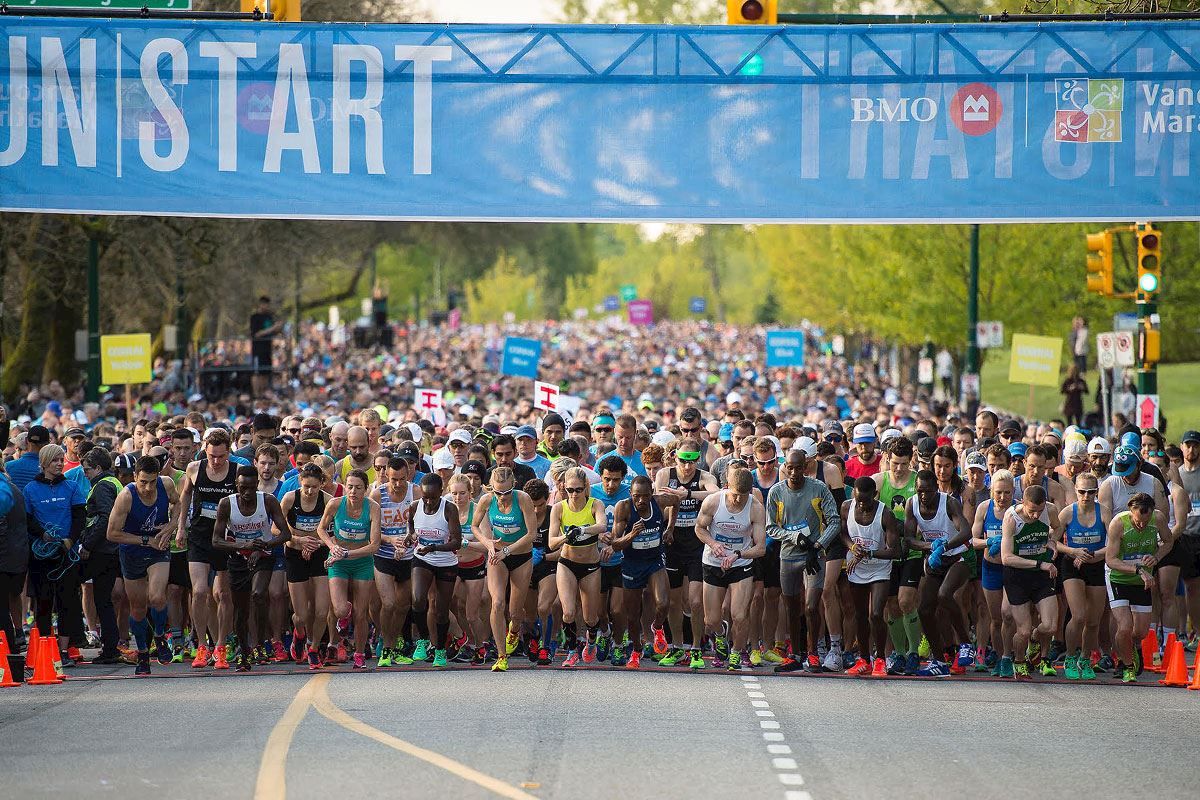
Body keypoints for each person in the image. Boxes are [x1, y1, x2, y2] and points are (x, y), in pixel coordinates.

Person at [211, 465, 290, 672]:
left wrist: (263, 546)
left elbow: (285, 534)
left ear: (257, 484)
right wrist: (242, 546)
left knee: (258, 594)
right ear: (236, 485)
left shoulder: (268, 501)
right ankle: (244, 652)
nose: (246, 493)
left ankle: (260, 643)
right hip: (238, 558)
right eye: (242, 488)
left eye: (250, 488)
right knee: (241, 608)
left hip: (263, 555)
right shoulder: (226, 504)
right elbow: (216, 541)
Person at [105, 456, 180, 675]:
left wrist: (173, 524)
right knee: (138, 609)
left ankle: (159, 636)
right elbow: (112, 533)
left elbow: (179, 503)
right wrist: (145, 540)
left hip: (159, 550)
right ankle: (144, 654)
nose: (147, 488)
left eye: (151, 482)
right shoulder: (126, 496)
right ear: (135, 476)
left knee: (157, 597)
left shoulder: (166, 485)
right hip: (133, 552)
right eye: (143, 482)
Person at [768, 448, 839, 673]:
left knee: (811, 606)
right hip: (788, 555)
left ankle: (814, 654)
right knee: (791, 606)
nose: (794, 472)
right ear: (785, 467)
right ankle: (795, 655)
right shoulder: (776, 492)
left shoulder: (818, 489)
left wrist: (818, 545)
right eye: (790, 467)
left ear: (806, 467)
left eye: (799, 467)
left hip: (813, 555)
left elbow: (835, 521)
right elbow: (771, 527)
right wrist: (793, 536)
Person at [176, 429, 238, 670]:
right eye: (212, 456)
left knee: (222, 594)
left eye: (221, 457)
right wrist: (181, 527)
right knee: (199, 591)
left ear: (228, 452)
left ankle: (221, 645)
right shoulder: (194, 468)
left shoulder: (236, 472)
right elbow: (185, 497)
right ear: (205, 450)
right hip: (200, 536)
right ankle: (202, 645)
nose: (216, 461)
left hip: (225, 539)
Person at [654, 437, 718, 669]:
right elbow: (658, 499)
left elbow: (716, 494)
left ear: (698, 460)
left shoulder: (704, 476)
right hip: (672, 541)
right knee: (672, 600)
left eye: (692, 462)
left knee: (694, 601)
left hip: (696, 544)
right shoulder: (664, 474)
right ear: (675, 457)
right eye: (683, 461)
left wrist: (687, 495)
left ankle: (697, 649)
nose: (687, 467)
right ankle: (677, 648)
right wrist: (674, 502)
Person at [23, 443, 87, 666]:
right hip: (41, 556)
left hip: (66, 555)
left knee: (67, 602)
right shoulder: (30, 489)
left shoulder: (71, 487)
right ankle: (43, 649)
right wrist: (43, 535)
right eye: (55, 460)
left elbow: (80, 516)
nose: (60, 463)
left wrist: (70, 539)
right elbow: (27, 519)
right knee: (43, 603)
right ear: (44, 463)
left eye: (61, 459)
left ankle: (64, 651)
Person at [695, 468, 766, 671]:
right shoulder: (714, 501)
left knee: (739, 615)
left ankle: (736, 652)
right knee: (711, 620)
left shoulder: (756, 507)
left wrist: (738, 554)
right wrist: (713, 543)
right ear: (727, 487)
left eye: (742, 496)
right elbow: (699, 528)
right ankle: (720, 636)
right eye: (734, 494)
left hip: (740, 564)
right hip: (713, 562)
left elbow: (760, 548)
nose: (737, 499)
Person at [905, 469, 972, 677]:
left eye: (928, 491)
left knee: (944, 595)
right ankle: (940, 660)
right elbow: (908, 540)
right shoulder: (911, 504)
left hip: (958, 557)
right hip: (935, 559)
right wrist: (929, 546)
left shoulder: (949, 502)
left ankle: (965, 643)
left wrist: (944, 547)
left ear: (937, 488)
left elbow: (965, 531)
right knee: (924, 609)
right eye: (920, 491)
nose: (924, 496)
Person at [317, 469, 381, 669]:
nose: (353, 491)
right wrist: (332, 546)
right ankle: (339, 630)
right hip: (339, 561)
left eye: (358, 488)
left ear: (366, 489)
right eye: (349, 487)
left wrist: (348, 554)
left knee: (361, 613)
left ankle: (360, 653)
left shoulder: (373, 507)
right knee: (340, 609)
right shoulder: (335, 504)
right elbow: (321, 529)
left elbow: (374, 545)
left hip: (362, 561)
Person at [1104, 492, 1170, 683]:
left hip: (1142, 581)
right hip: (1118, 578)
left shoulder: (1158, 518)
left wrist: (1156, 557)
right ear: (1130, 511)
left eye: (1145, 521)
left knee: (1139, 632)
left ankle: (1131, 648)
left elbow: (1169, 541)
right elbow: (1110, 559)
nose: (1141, 525)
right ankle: (1127, 666)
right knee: (1124, 627)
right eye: (1137, 521)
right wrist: (1138, 570)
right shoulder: (1118, 523)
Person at [1000, 484, 1063, 680]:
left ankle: (1035, 639)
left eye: (1039, 510)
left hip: (1040, 575)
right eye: (1031, 511)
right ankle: (1019, 661)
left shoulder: (1050, 510)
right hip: (1017, 576)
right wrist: (1039, 564)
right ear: (1022, 503)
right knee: (1023, 630)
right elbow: (1006, 558)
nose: (1036, 515)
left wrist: (1053, 540)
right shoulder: (1012, 518)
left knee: (1051, 626)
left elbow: (1058, 527)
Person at [842, 476, 902, 677]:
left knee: (875, 614)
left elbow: (895, 551)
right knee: (859, 615)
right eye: (858, 500)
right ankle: (864, 659)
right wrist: (852, 546)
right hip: (856, 569)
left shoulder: (885, 514)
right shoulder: (846, 507)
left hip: (879, 568)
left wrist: (868, 553)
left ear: (874, 495)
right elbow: (842, 533)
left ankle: (881, 659)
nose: (862, 505)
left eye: (866, 501)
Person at [549, 466, 608, 667]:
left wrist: (583, 530)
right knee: (568, 612)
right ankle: (572, 651)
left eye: (578, 490)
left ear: (586, 488)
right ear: (564, 488)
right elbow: (551, 542)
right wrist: (567, 536)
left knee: (591, 617)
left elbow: (602, 525)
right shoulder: (559, 508)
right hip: (567, 563)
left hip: (591, 565)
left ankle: (592, 638)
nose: (574, 494)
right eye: (570, 490)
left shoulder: (594, 504)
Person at [406, 473, 463, 669]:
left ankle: (440, 648)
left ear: (441, 492)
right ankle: (423, 640)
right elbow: (411, 526)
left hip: (446, 561)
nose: (429, 502)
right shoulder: (414, 507)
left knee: (440, 611)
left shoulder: (449, 509)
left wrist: (434, 547)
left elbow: (457, 542)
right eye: (425, 497)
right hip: (422, 558)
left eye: (433, 497)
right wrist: (410, 536)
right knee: (417, 598)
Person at [280, 463, 333, 669]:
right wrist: (298, 541)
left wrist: (316, 543)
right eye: (306, 487)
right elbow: (277, 530)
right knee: (300, 615)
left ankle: (313, 648)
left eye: (314, 487)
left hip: (319, 553)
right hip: (295, 553)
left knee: (321, 611)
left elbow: (335, 533)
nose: (310, 492)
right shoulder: (290, 498)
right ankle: (299, 634)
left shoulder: (328, 501)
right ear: (300, 483)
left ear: (322, 484)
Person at [1057, 472, 1108, 681]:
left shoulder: (1104, 512)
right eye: (1081, 492)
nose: (1086, 496)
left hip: (1096, 565)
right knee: (1077, 616)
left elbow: (1113, 544)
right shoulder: (1068, 513)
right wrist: (1073, 552)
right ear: (1075, 491)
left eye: (1091, 492)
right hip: (1072, 565)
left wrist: (1093, 555)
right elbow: (1053, 541)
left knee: (1093, 621)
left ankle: (1085, 658)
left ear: (1096, 492)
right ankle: (1070, 656)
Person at [369, 454, 419, 667]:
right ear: (385, 476)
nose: (398, 484)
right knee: (388, 604)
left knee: (403, 605)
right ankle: (385, 642)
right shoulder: (377, 495)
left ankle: (392, 644)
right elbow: (371, 532)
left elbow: (420, 526)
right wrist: (391, 540)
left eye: (401, 479)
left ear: (408, 475)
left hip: (408, 556)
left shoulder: (415, 492)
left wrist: (408, 540)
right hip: (384, 555)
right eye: (393, 479)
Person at [77, 448, 124, 665]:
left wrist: (87, 543)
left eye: (87, 470)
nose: (85, 474)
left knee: (101, 600)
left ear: (97, 468)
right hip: (112, 548)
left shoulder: (103, 486)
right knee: (104, 599)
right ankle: (110, 646)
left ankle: (109, 648)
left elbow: (105, 518)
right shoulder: (113, 482)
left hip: (104, 550)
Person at [249, 295, 283, 397]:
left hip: (267, 349)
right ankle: (256, 394)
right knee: (257, 372)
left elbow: (273, 331)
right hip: (258, 349)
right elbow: (257, 334)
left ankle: (263, 393)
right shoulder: (254, 317)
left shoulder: (269, 317)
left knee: (265, 372)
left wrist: (278, 327)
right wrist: (273, 328)